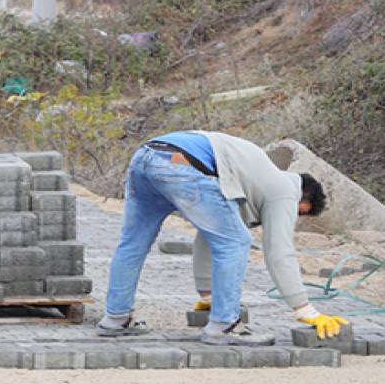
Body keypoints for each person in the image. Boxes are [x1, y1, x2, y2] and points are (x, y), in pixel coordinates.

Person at [97, 131, 344, 346]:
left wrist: (207, 296)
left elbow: (210, 234)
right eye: (299, 212)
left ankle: (116, 319)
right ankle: (225, 326)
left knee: (133, 243)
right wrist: (305, 309)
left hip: (147, 156)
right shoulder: (284, 190)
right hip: (184, 164)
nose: (293, 218)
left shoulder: (254, 176)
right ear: (304, 198)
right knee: (237, 241)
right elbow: (279, 252)